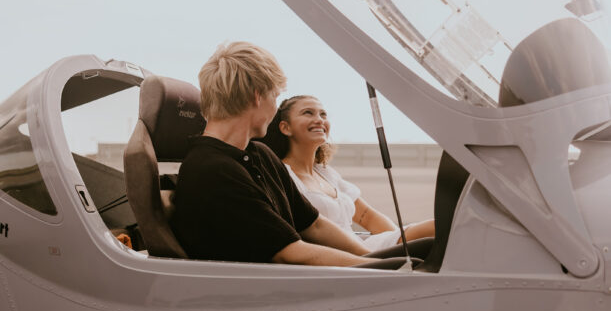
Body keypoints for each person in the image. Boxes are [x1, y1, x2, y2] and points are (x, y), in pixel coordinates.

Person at [171, 43, 374, 266]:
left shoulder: (260, 154)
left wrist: (374, 259)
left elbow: (314, 225)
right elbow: (288, 252)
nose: (275, 108)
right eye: (275, 96)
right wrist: (379, 270)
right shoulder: (211, 170)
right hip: (261, 291)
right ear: (257, 96)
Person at [262, 95, 435, 252]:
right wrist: (373, 259)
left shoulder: (327, 173)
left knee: (436, 227)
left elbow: (367, 216)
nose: (319, 120)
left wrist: (398, 245)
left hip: (363, 246)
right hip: (338, 257)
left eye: (323, 114)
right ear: (285, 128)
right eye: (308, 113)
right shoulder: (282, 174)